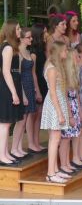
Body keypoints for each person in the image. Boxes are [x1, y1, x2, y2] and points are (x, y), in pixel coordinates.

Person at [40, 41, 69, 183]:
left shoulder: (57, 67)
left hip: (58, 102)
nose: (67, 53)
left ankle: (55, 170)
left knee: (55, 139)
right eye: (64, 50)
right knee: (55, 139)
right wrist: (59, 113)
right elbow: (52, 93)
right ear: (58, 52)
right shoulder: (51, 69)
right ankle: (51, 174)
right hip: (54, 105)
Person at [0, 20, 24, 166]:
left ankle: (5, 152)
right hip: (6, 87)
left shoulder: (11, 47)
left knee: (7, 123)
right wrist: (14, 93)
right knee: (4, 124)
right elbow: (6, 72)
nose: (20, 31)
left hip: (11, 84)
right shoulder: (7, 48)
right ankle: (1, 155)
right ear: (11, 31)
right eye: (18, 29)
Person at [11, 27, 38, 158]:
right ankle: (14, 148)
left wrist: (35, 89)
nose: (31, 39)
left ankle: (19, 147)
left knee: (26, 118)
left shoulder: (28, 52)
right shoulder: (19, 54)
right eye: (28, 37)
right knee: (20, 120)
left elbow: (33, 74)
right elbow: (19, 76)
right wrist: (23, 94)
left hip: (30, 86)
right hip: (23, 87)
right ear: (21, 38)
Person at [59, 48, 81, 176]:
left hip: (74, 106)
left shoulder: (73, 73)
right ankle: (63, 164)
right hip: (69, 108)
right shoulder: (66, 76)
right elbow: (66, 97)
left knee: (70, 137)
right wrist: (70, 115)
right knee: (65, 138)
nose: (78, 59)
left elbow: (76, 94)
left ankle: (67, 163)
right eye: (76, 56)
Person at [30, 23, 48, 153]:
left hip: (44, 83)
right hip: (38, 85)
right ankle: (31, 143)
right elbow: (33, 73)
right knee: (34, 115)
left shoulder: (42, 49)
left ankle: (36, 142)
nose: (47, 34)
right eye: (45, 32)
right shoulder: (34, 52)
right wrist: (37, 90)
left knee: (39, 115)